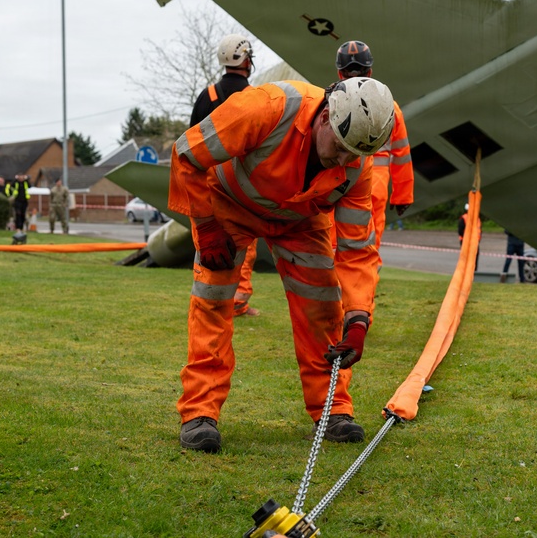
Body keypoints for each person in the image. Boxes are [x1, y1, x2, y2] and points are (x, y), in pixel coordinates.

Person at [169, 76, 395, 453]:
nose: (341, 162)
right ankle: (199, 414)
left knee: (323, 306)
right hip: (229, 207)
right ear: (325, 116)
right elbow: (187, 153)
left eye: (351, 156)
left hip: (300, 220)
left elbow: (357, 249)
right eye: (338, 149)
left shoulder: (357, 163)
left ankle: (332, 410)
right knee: (213, 299)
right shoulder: (266, 107)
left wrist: (357, 318)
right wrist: (207, 228)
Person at [190, 34, 260, 317]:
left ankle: (207, 302)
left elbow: (191, 141)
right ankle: (238, 302)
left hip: (208, 184)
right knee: (244, 244)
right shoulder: (256, 97)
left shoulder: (207, 96)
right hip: (243, 185)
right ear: (246, 60)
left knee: (207, 245)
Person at [335, 40, 413, 251]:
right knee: (369, 242)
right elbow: (401, 153)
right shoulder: (390, 105)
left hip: (337, 179)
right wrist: (403, 195)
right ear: (369, 71)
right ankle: (363, 281)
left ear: (340, 73)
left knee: (333, 241)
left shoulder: (331, 100)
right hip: (375, 182)